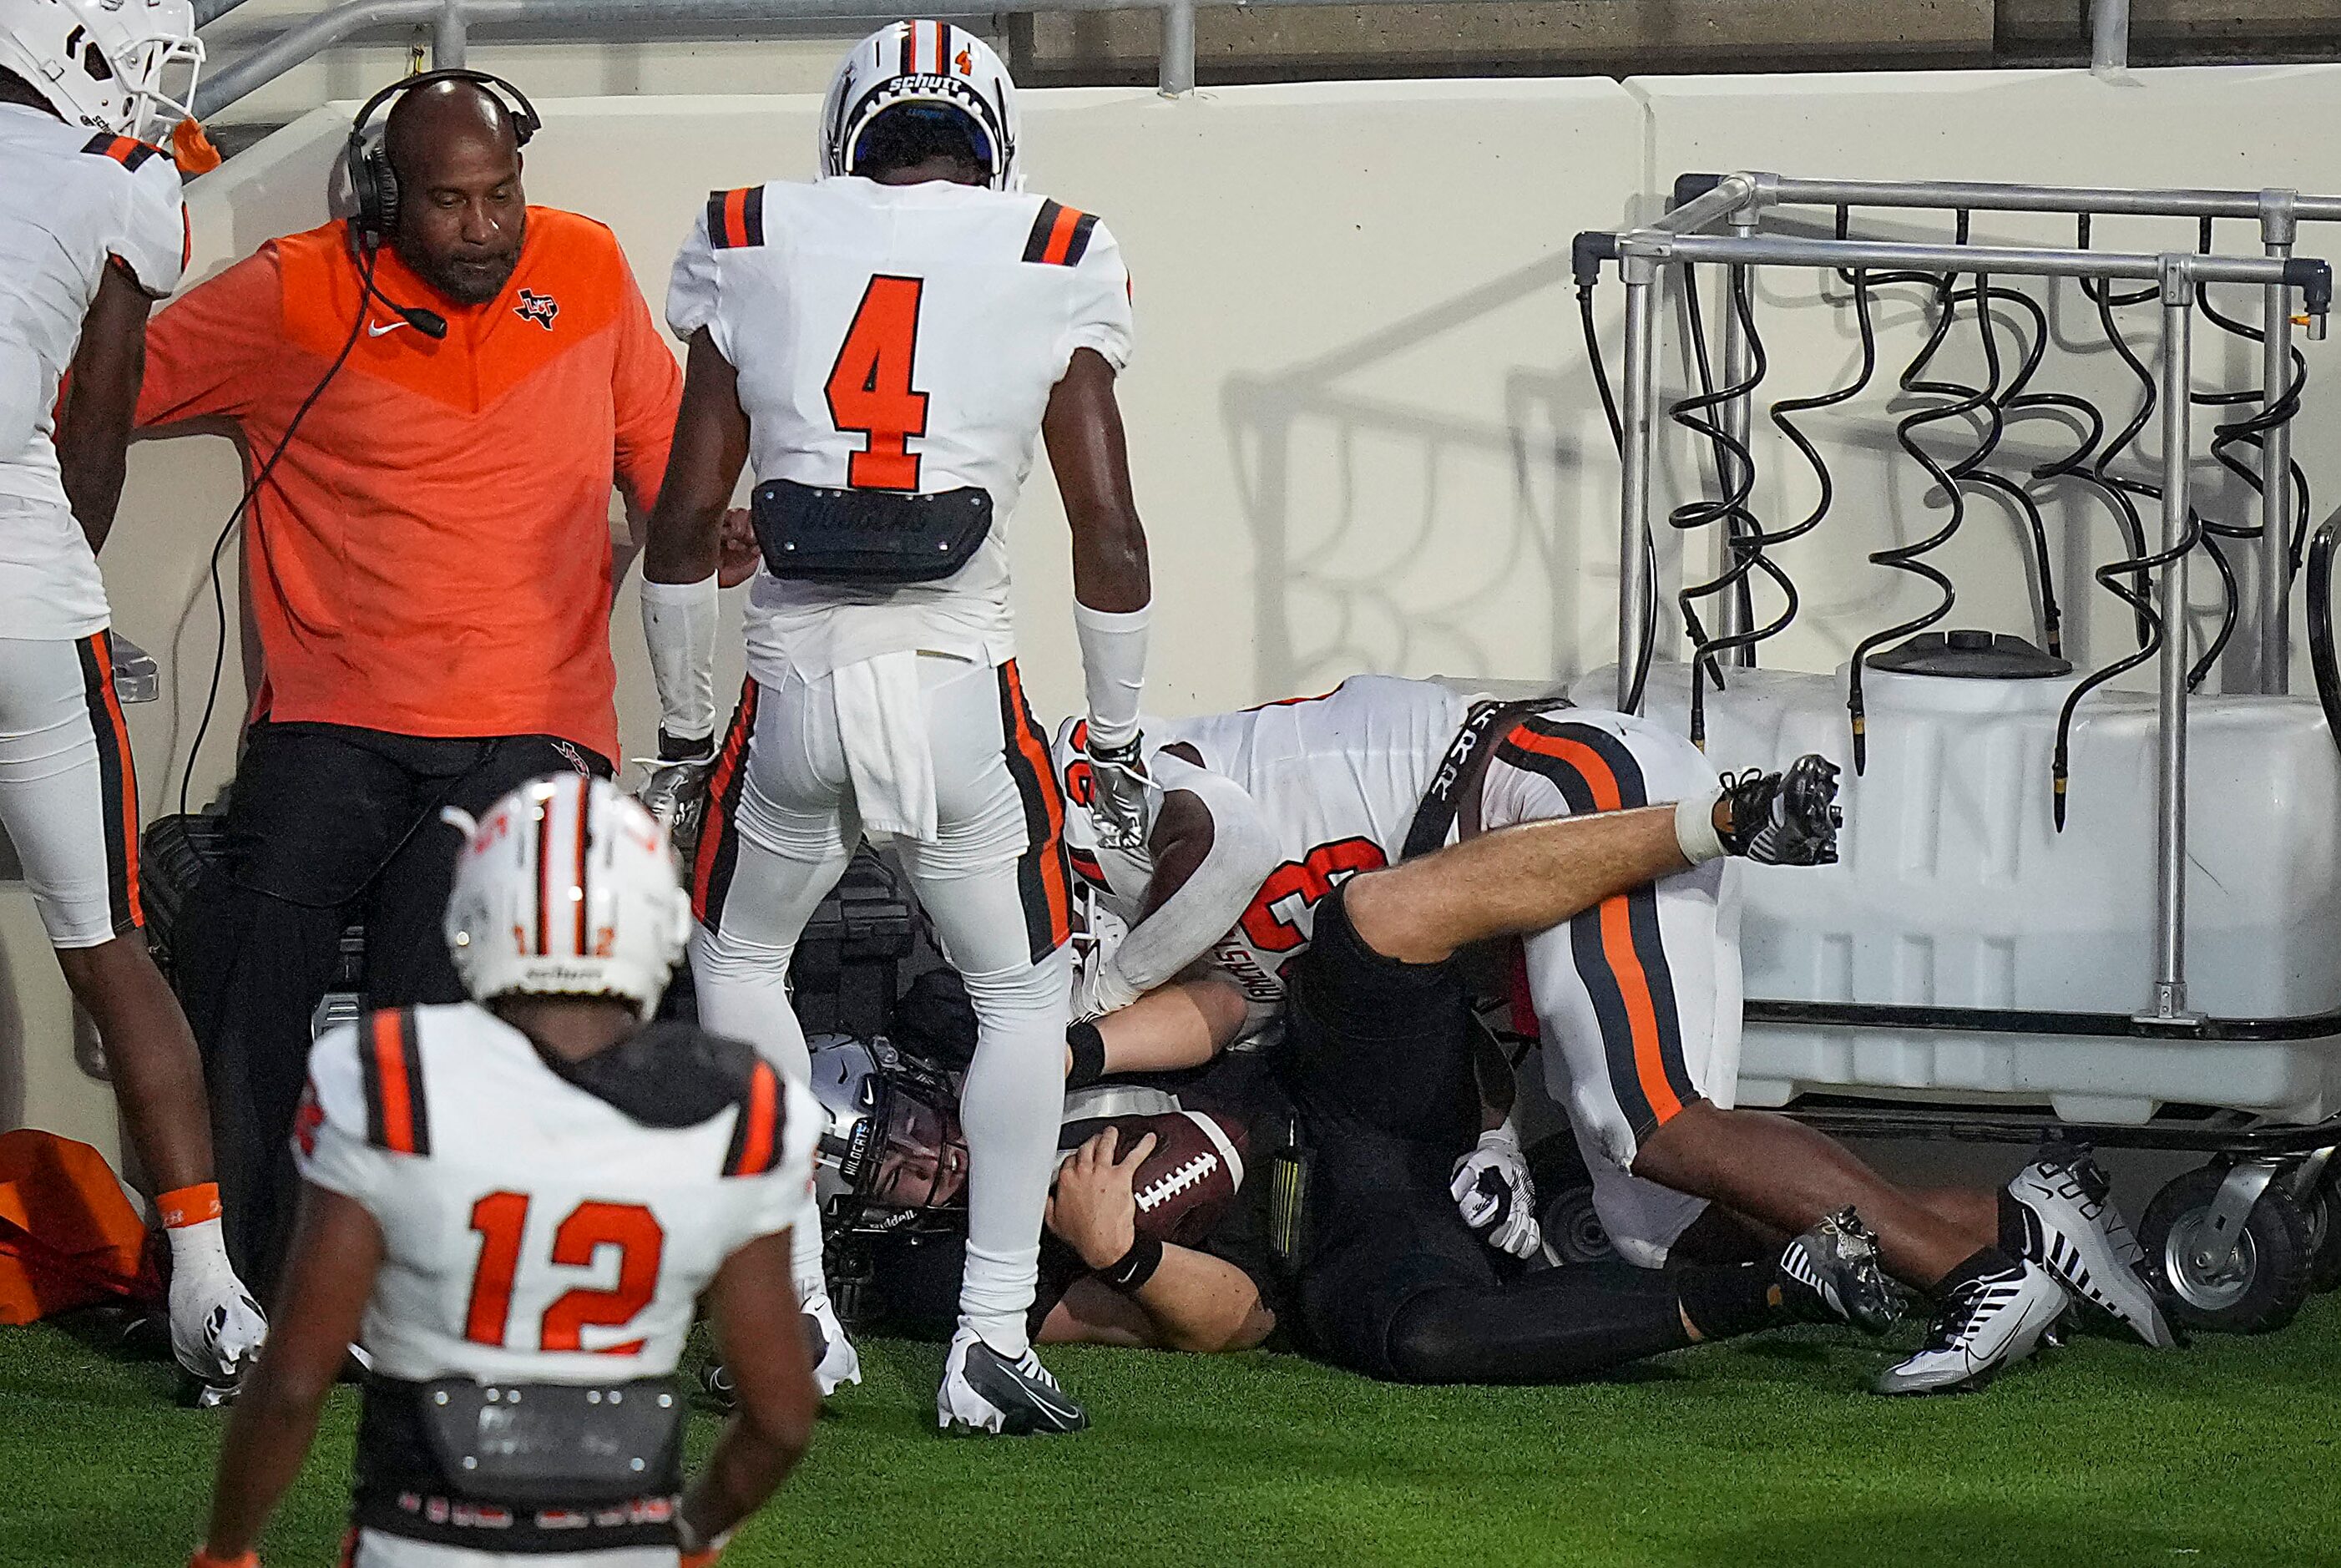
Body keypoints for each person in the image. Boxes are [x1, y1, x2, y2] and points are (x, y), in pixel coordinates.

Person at [1052, 675, 2177, 1394]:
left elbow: (1230, 848)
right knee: (1663, 1232)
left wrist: (1107, 977)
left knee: (1647, 1118)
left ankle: (1974, 1277)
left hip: (1563, 794)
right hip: (1544, 854)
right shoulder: (1107, 917)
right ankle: (2023, 1217)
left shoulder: (1080, 782)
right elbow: (1264, 1004)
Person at [641, 21, 1152, 1434]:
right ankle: (989, 1330)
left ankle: (792, 1313)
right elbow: (1107, 530)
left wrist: (684, 739)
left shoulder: (751, 229)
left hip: (793, 687)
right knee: (1019, 997)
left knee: (738, 957)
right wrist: (1112, 743)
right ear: (990, 134)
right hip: (958, 692)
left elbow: (681, 526)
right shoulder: (1052, 244)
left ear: (845, 127)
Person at [132, 71, 683, 1300]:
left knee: (439, 970)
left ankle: (403, 1274)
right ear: (384, 199)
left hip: (529, 721)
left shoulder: (587, 269)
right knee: (245, 944)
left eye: (501, 196)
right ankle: (234, 1277)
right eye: (449, 202)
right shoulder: (291, 292)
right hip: (332, 718)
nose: (485, 228)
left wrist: (707, 534)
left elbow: (665, 452)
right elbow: (94, 388)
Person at [188, 774, 822, 1568]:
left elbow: (291, 1382)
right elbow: (783, 1418)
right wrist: (688, 1541)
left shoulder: (392, 1077)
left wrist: (228, 1550)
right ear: (659, 924)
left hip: (418, 1543)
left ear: (476, 915)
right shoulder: (745, 1107)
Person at [816, 979, 1899, 1384]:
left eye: (910, 1121)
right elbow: (1231, 1326)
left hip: (1327, 1086)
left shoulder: (964, 1033)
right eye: (896, 1171)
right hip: (1320, 1236)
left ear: (916, 1073)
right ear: (870, 1216)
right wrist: (1127, 1255)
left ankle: (1499, 1118)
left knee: (1358, 942)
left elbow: (1231, 1004)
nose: (931, 1156)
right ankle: (1781, 1281)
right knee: (1429, 1340)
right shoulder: (941, 1273)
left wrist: (1073, 1054)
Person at [0, 0, 266, 1390]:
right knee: (107, 943)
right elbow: (94, 437)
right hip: (28, 588)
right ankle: (213, 1294)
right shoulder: (115, 188)